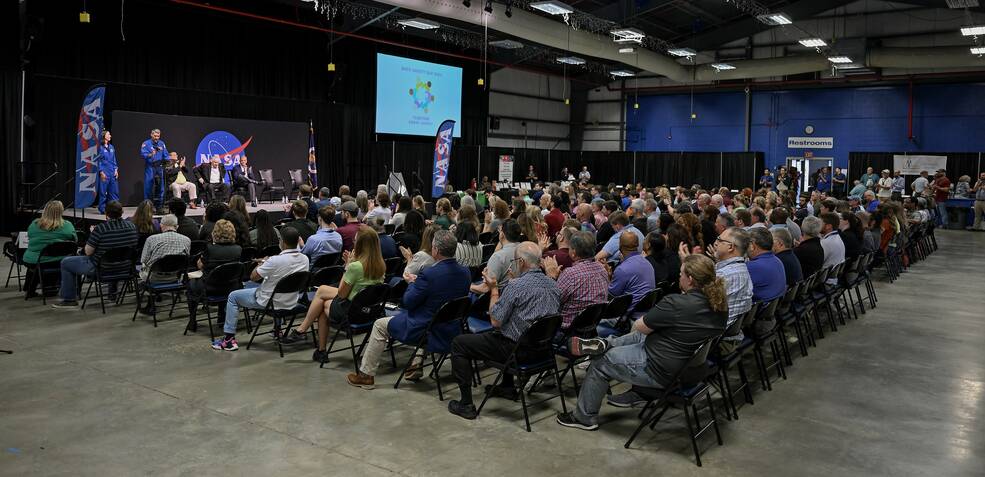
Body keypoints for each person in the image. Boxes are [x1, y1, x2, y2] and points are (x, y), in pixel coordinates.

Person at [556, 254, 728, 429]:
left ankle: (583, 417)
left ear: (690, 279)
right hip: (694, 368)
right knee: (643, 336)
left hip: (662, 370)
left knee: (601, 360)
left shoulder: (677, 303)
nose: (679, 277)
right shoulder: (720, 305)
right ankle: (606, 343)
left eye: (681, 274)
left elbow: (640, 325)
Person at [447, 242, 561, 419]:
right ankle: (507, 387)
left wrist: (494, 290)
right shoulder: (554, 285)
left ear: (521, 262)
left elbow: (495, 321)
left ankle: (466, 404)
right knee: (511, 329)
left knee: (459, 343)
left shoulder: (515, 287)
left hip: (516, 351)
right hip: (543, 351)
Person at [345, 230, 471, 389]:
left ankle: (366, 375)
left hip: (423, 328)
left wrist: (412, 283)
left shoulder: (430, 274)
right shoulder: (465, 272)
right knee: (428, 313)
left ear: (436, 250)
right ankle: (416, 362)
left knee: (379, 325)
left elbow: (407, 302)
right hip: (451, 325)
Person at [283, 226, 384, 359]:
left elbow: (342, 294)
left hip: (352, 312)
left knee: (322, 302)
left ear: (360, 245)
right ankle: (314, 344)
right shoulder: (381, 264)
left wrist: (347, 267)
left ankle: (308, 336)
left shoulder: (356, 267)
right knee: (322, 294)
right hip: (370, 311)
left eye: (355, 241)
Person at [213, 227, 308, 351]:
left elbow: (253, 277)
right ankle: (277, 330)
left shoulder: (275, 261)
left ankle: (229, 340)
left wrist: (261, 264)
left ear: (283, 242)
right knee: (276, 287)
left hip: (270, 302)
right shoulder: (305, 259)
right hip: (291, 301)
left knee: (233, 296)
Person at [52, 201, 138, 309]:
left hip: (101, 268)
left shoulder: (101, 229)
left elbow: (88, 252)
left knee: (66, 262)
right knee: (116, 257)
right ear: (122, 212)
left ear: (106, 213)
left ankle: (69, 299)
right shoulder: (132, 227)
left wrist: (93, 234)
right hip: (125, 267)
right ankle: (112, 295)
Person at [184, 220, 242, 332]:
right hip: (231, 287)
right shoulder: (238, 249)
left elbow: (201, 265)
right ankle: (221, 316)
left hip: (210, 288)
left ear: (215, 233)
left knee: (190, 284)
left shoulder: (209, 248)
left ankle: (192, 320)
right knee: (223, 277)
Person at [543, 231, 608, 329]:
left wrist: (551, 277)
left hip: (568, 329)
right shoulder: (602, 269)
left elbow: (551, 303)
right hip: (592, 324)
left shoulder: (571, 274)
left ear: (573, 253)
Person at [23, 200, 76, 298]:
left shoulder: (34, 224)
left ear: (45, 210)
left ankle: (30, 288)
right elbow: (74, 240)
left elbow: (29, 236)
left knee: (39, 264)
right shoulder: (67, 225)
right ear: (61, 211)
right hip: (57, 260)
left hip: (33, 260)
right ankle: (57, 289)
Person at [137, 215, 191, 311]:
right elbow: (186, 259)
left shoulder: (151, 239)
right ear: (177, 226)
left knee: (143, 268)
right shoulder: (187, 240)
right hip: (176, 277)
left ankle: (150, 300)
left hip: (154, 277)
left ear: (161, 226)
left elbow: (143, 260)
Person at [470, 219, 522, 294]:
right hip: (516, 292)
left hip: (501, 297)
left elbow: (484, 289)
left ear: (502, 234)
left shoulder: (498, 257)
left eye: (500, 231)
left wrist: (468, 286)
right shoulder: (525, 250)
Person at [607, 232, 656, 309]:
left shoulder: (622, 269)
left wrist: (607, 277)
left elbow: (611, 296)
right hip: (647, 311)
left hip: (629, 314)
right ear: (637, 244)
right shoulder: (647, 263)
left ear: (620, 245)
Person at [745, 227, 786, 303]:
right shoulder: (777, 261)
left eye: (746, 244)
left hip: (759, 312)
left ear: (752, 246)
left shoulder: (752, 267)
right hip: (774, 310)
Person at [141, 129, 169, 209]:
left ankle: (159, 206)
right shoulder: (146, 143)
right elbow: (143, 155)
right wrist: (151, 154)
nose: (157, 138)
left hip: (159, 167)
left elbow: (165, 155)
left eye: (158, 136)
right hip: (150, 167)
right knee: (148, 187)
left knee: (161, 187)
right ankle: (148, 207)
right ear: (151, 135)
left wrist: (170, 160)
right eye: (155, 136)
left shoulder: (161, 143)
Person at [96, 130, 119, 214]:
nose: (110, 136)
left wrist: (116, 169)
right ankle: (102, 209)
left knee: (114, 192)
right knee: (103, 192)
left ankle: (115, 209)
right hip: (104, 172)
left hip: (112, 172)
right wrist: (101, 172)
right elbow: (98, 161)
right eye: (109, 134)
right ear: (104, 136)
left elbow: (114, 159)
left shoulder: (112, 147)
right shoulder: (100, 148)